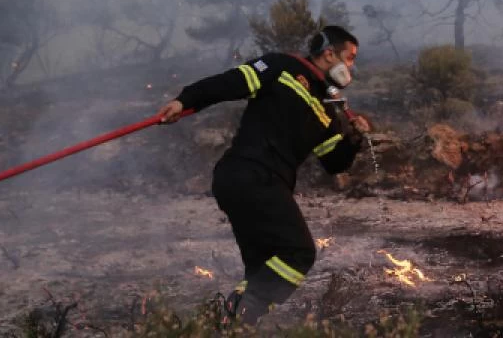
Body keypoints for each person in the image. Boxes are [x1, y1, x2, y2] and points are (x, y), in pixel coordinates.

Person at [157, 25, 370, 327]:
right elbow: (230, 83)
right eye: (349, 58)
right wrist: (185, 99)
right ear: (328, 53)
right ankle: (236, 314)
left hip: (261, 183)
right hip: (249, 173)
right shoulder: (282, 66)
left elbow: (335, 163)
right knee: (298, 252)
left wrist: (354, 138)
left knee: (262, 270)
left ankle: (230, 325)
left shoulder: (328, 107)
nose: (351, 67)